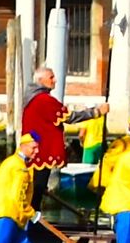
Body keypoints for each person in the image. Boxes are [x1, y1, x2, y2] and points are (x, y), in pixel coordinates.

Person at [21, 65, 101, 209]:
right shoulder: (44, 100)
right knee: (37, 190)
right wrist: (96, 112)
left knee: (37, 190)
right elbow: (69, 117)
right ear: (40, 80)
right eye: (51, 77)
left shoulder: (36, 99)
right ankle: (31, 225)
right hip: (41, 151)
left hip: (37, 149)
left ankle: (33, 221)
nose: (55, 80)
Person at [0, 131, 41, 243]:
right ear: (23, 146)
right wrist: (31, 213)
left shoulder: (13, 162)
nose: (37, 151)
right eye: (33, 148)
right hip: (5, 213)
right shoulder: (19, 168)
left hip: (14, 213)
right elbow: (18, 196)